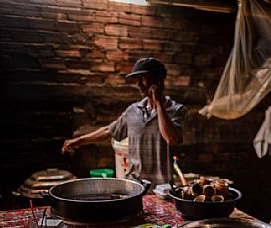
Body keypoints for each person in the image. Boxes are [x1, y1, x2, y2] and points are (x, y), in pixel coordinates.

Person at [62, 57, 187, 185]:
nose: (138, 84)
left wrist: (159, 103)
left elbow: (171, 138)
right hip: (135, 184)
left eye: (143, 78)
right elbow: (108, 130)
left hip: (162, 186)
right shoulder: (133, 111)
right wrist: (78, 141)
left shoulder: (176, 110)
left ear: (158, 80)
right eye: (137, 80)